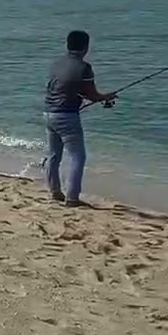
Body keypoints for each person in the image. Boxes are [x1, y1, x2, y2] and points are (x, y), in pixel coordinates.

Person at [44, 30, 116, 207]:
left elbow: (61, 88)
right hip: (67, 116)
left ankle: (55, 191)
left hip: (48, 113)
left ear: (68, 45)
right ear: (86, 46)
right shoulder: (84, 67)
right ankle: (72, 198)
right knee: (78, 156)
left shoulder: (56, 64)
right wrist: (105, 97)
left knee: (54, 155)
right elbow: (91, 94)